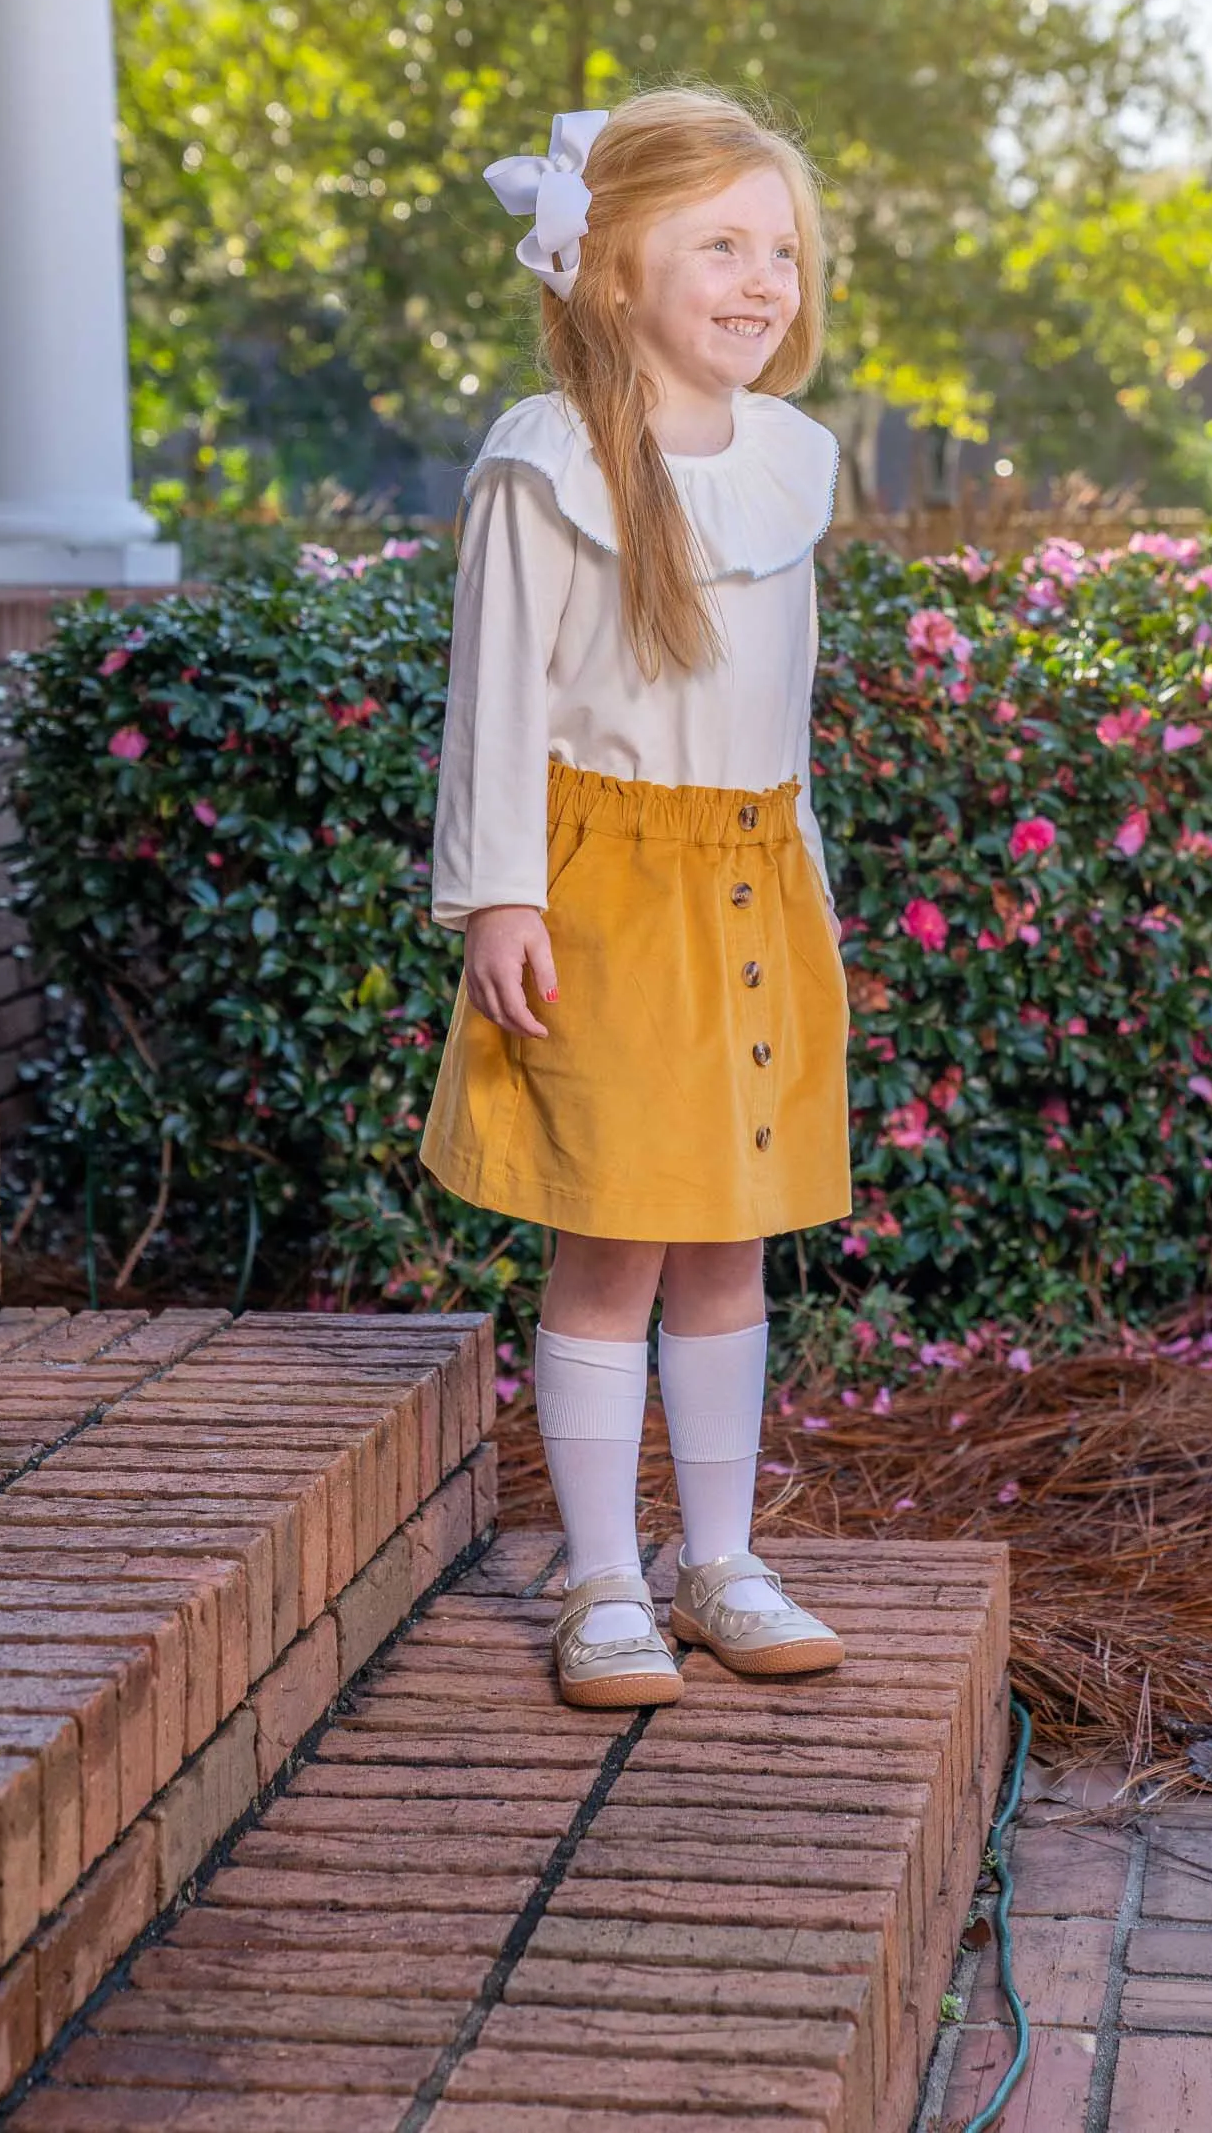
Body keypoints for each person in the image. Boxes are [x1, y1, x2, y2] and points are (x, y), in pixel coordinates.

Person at [421, 88, 853, 1708]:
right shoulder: (547, 463)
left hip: (755, 881)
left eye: (784, 250)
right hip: (602, 891)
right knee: (611, 1242)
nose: (763, 280)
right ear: (609, 271)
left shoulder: (793, 461)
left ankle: (718, 1559)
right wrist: (495, 900)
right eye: (720, 245)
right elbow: (496, 698)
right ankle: (604, 1579)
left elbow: (784, 717)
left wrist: (805, 894)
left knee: (731, 1245)